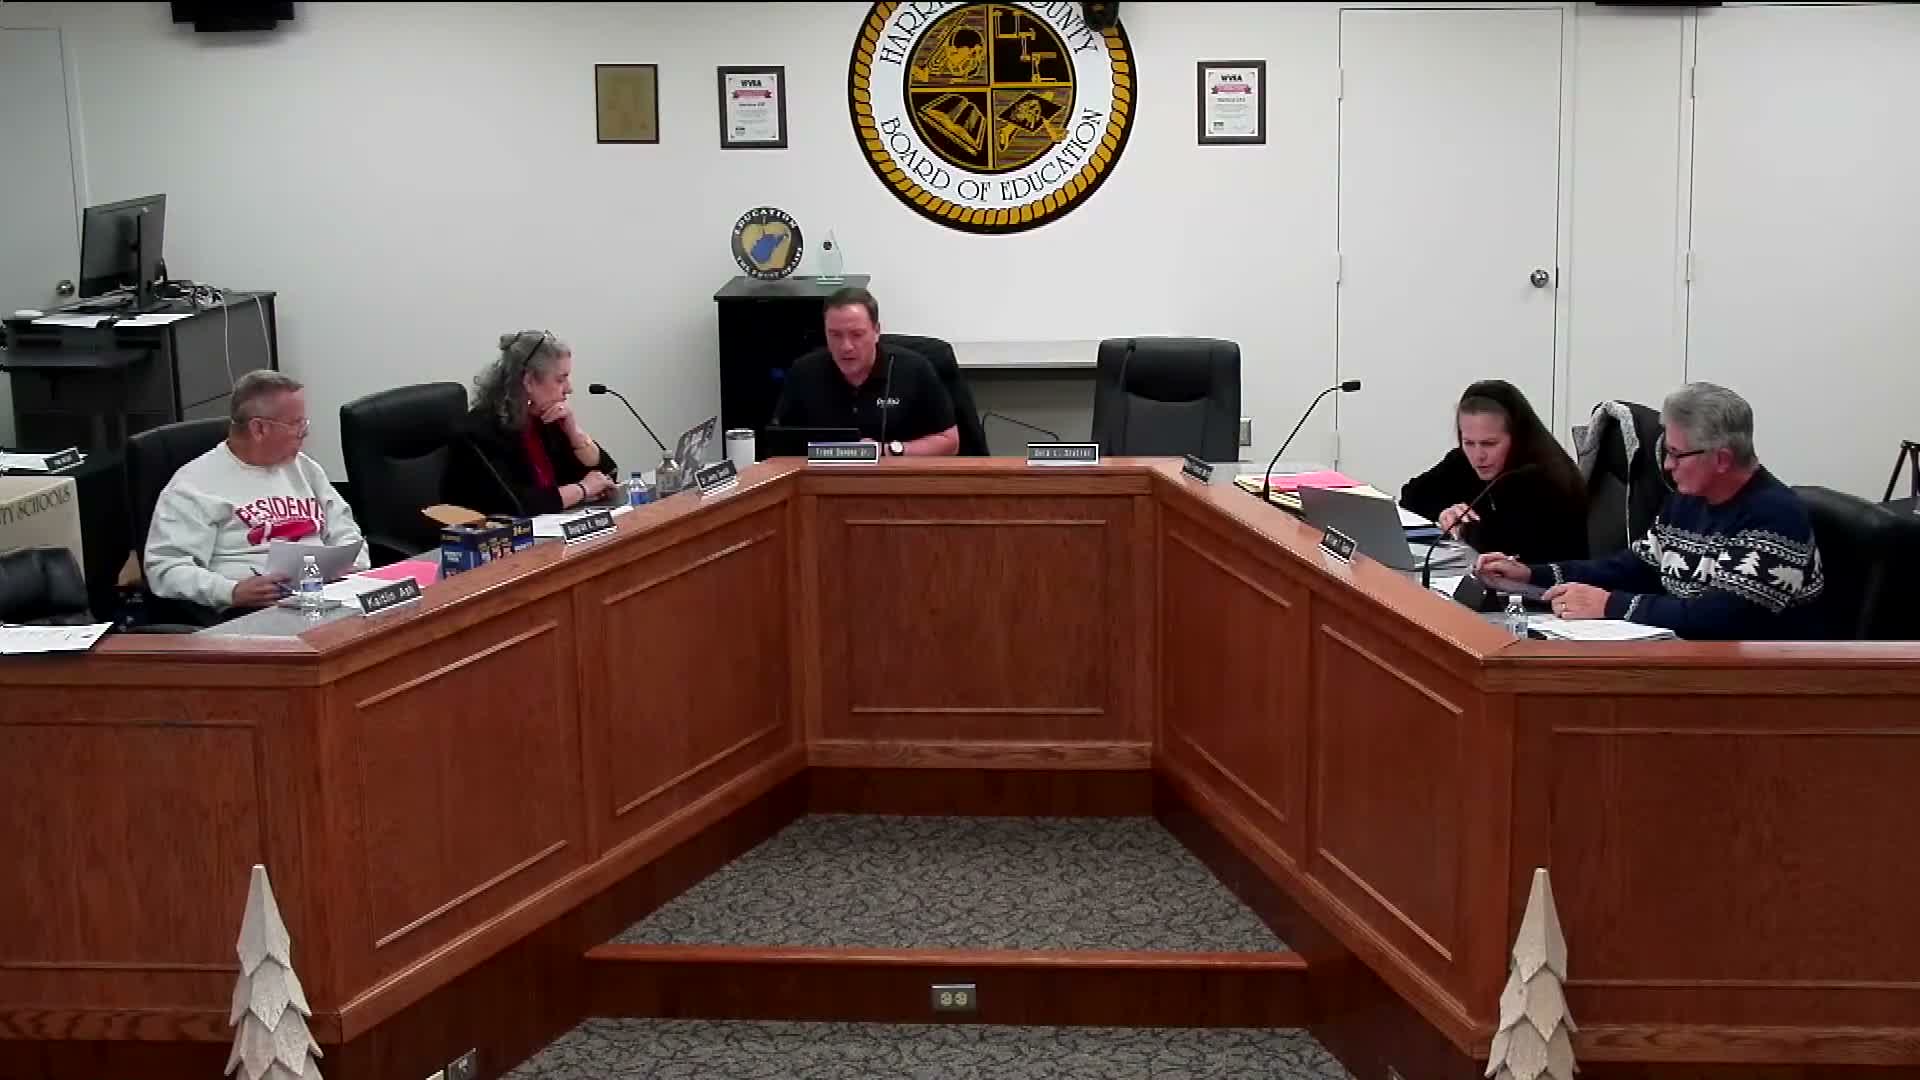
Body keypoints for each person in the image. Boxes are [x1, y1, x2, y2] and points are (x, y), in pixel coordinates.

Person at [1476, 382, 1824, 640]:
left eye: (1677, 454)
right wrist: (1531, 575)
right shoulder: (1689, 498)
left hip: (1760, 682)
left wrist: (1609, 605)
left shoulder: (1774, 517)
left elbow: (1722, 619)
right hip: (1690, 659)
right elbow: (1633, 567)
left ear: (1721, 459)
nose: (1668, 466)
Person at [144, 370, 369, 612]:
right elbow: (165, 568)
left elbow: (345, 531)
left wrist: (351, 565)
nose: (304, 432)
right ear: (259, 428)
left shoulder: (304, 468)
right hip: (253, 611)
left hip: (327, 594)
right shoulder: (193, 485)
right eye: (296, 424)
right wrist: (230, 591)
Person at [1400, 380, 1588, 563]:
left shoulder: (1544, 477)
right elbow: (1411, 494)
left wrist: (1461, 525)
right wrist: (1444, 513)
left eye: (1489, 443)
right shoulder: (1465, 459)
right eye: (1468, 442)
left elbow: (1497, 542)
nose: (1478, 455)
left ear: (1517, 437)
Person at [445, 330, 619, 516]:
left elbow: (607, 474)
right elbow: (513, 505)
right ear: (528, 382)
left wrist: (574, 433)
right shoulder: (480, 431)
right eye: (560, 379)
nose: (569, 389)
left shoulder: (547, 420)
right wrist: (582, 490)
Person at [770, 287, 959, 457]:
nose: (846, 346)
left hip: (896, 478)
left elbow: (950, 442)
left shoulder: (914, 369)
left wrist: (887, 450)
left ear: (876, 331)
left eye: (857, 335)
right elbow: (779, 444)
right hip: (824, 479)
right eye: (835, 335)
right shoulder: (804, 372)